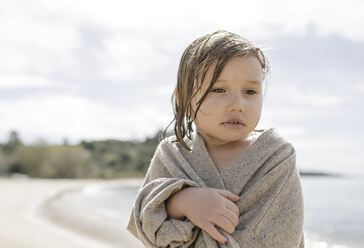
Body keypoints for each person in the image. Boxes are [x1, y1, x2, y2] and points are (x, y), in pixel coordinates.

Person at [127, 30, 304, 248]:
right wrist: (181, 201)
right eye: (219, 89)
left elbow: (281, 236)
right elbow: (146, 222)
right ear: (184, 99)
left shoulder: (276, 156)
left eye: (250, 91)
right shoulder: (171, 153)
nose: (238, 104)